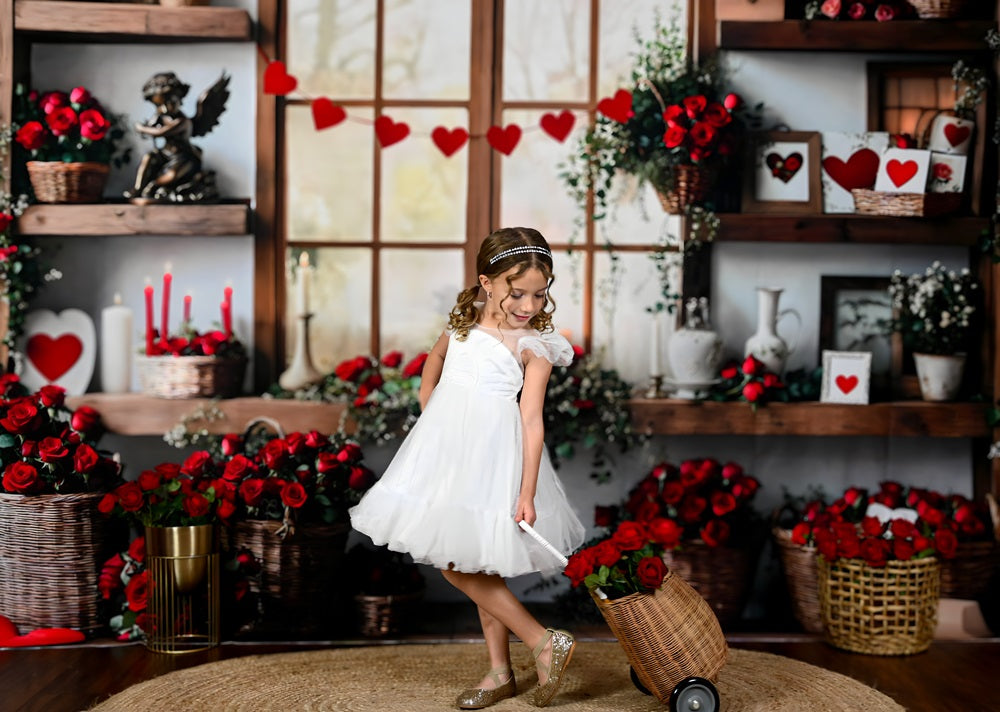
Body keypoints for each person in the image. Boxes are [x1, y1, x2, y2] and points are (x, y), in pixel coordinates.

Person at [350, 227, 585, 709]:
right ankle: (500, 672)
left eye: (540, 294)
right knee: (475, 559)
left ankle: (543, 641)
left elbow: (532, 420)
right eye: (516, 292)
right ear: (486, 283)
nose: (528, 304)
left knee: (457, 565)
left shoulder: (535, 343)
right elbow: (434, 361)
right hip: (446, 452)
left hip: (493, 455)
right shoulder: (464, 321)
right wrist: (432, 408)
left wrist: (526, 492)